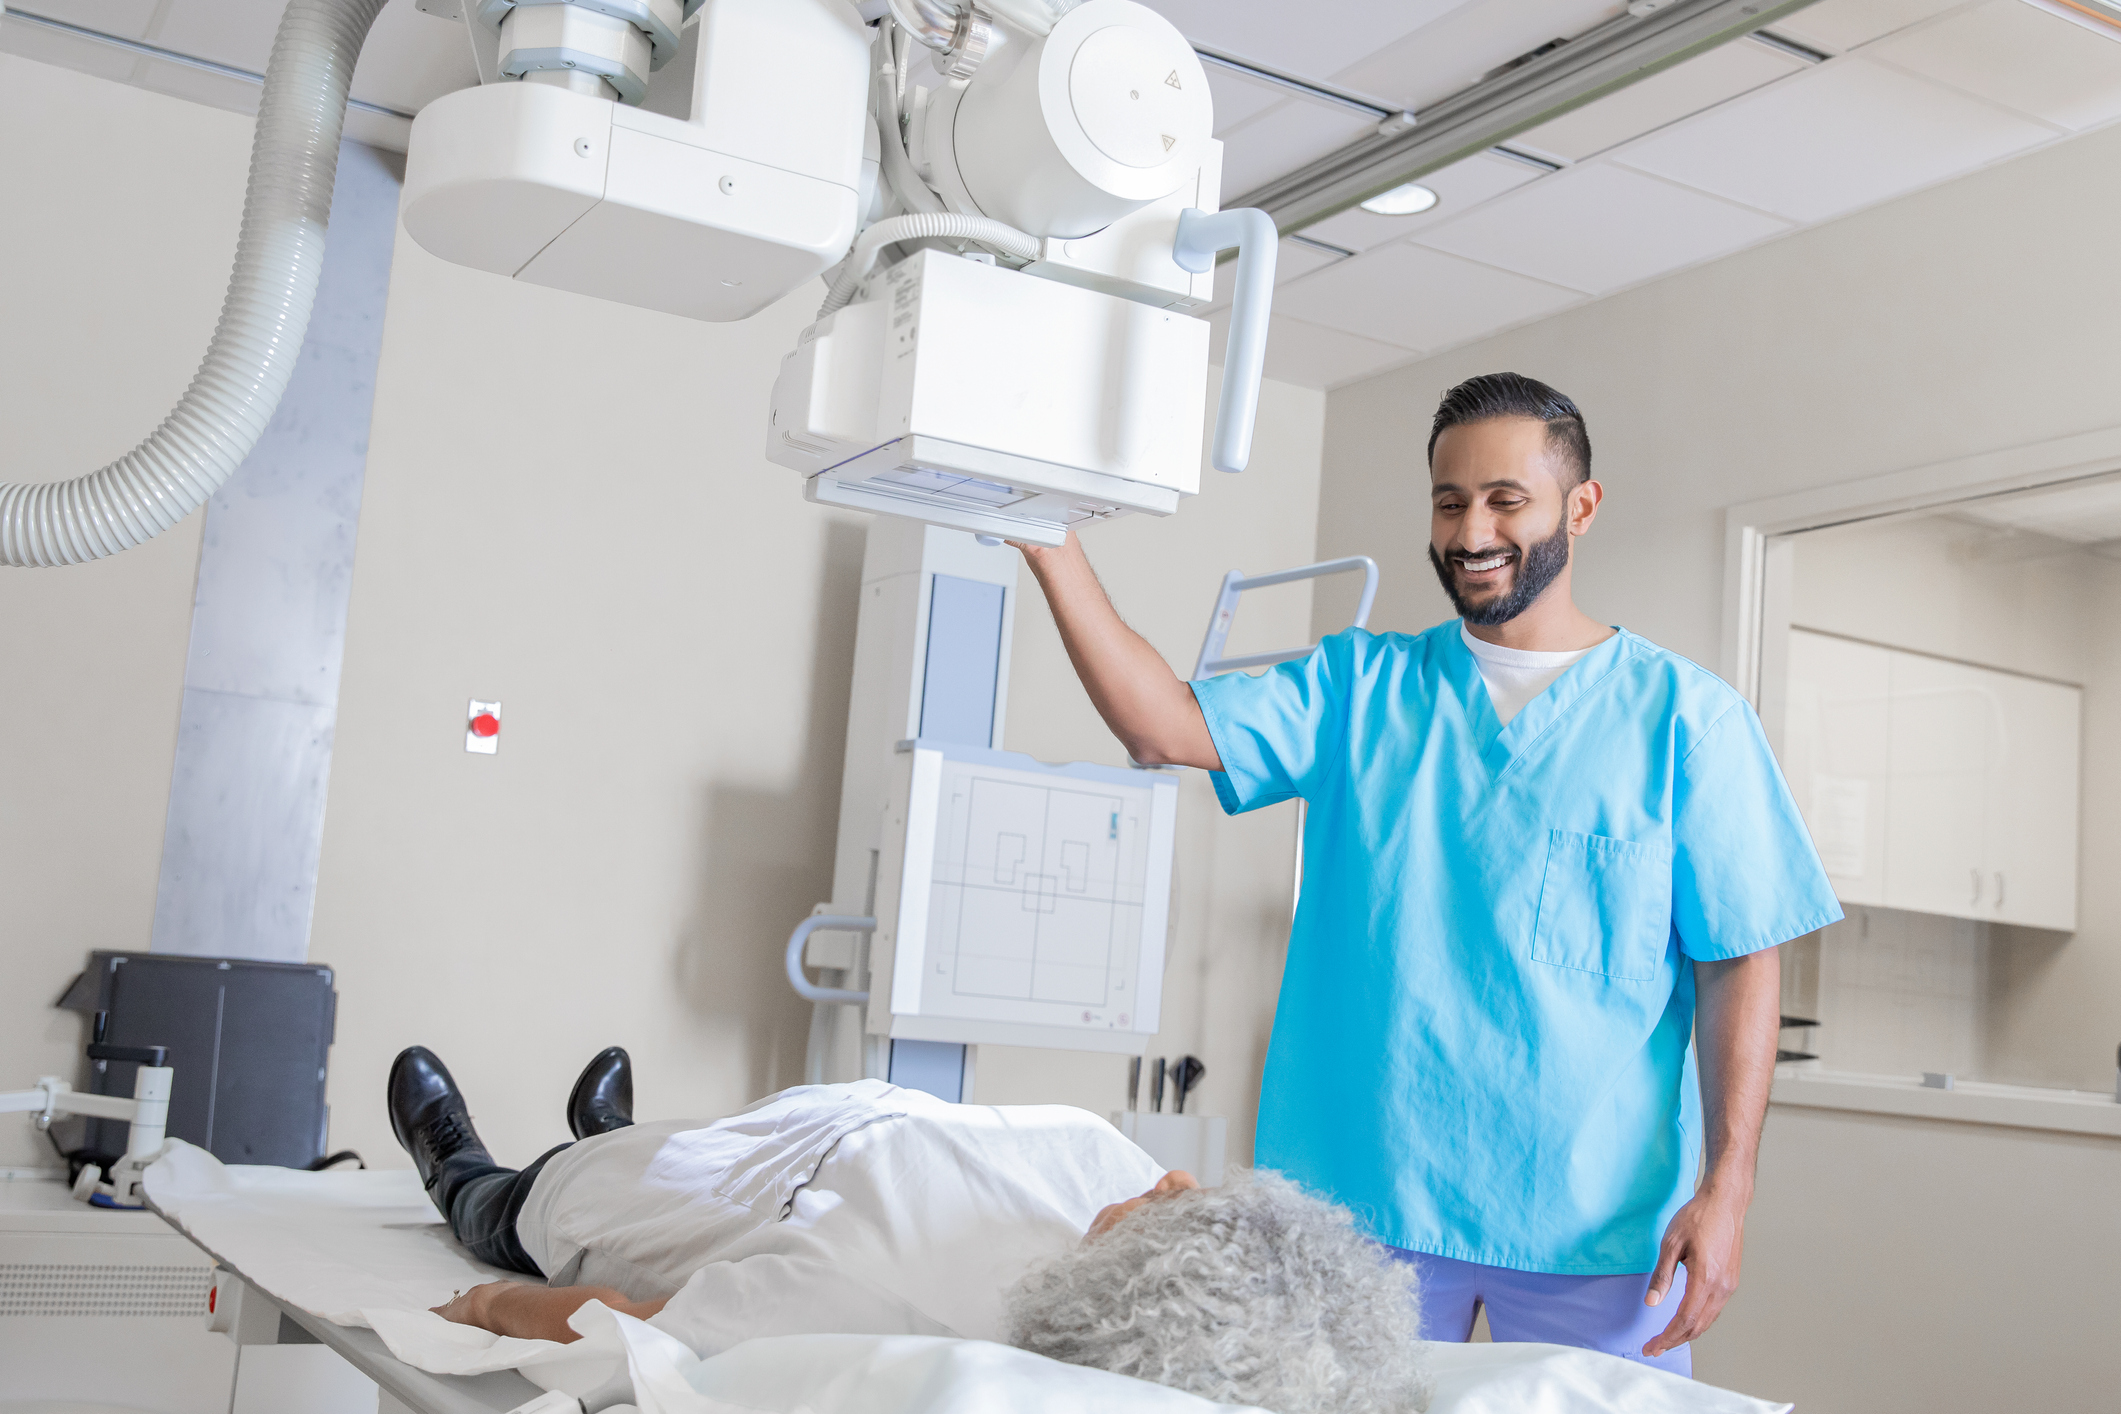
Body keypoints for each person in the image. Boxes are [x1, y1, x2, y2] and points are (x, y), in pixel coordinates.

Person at [1010, 372, 1840, 1374]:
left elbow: (1740, 960)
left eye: (1506, 500)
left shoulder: (1685, 719)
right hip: (1362, 1207)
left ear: (1582, 506)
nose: (1471, 529)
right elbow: (1160, 721)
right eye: (1450, 502)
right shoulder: (1359, 686)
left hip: (1595, 1220)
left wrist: (1729, 1189)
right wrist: (1043, 535)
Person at [389, 1045, 1434, 1413]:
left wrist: (489, 1305)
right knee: (648, 1142)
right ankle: (612, 1133)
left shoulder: (877, 1308)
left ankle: (461, 1167)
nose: (1167, 1173)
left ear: (1141, 1291)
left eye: (1178, 1207)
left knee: (535, 1207)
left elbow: (635, 1325)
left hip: (740, 1196)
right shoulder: (1118, 1203)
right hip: (828, 1125)